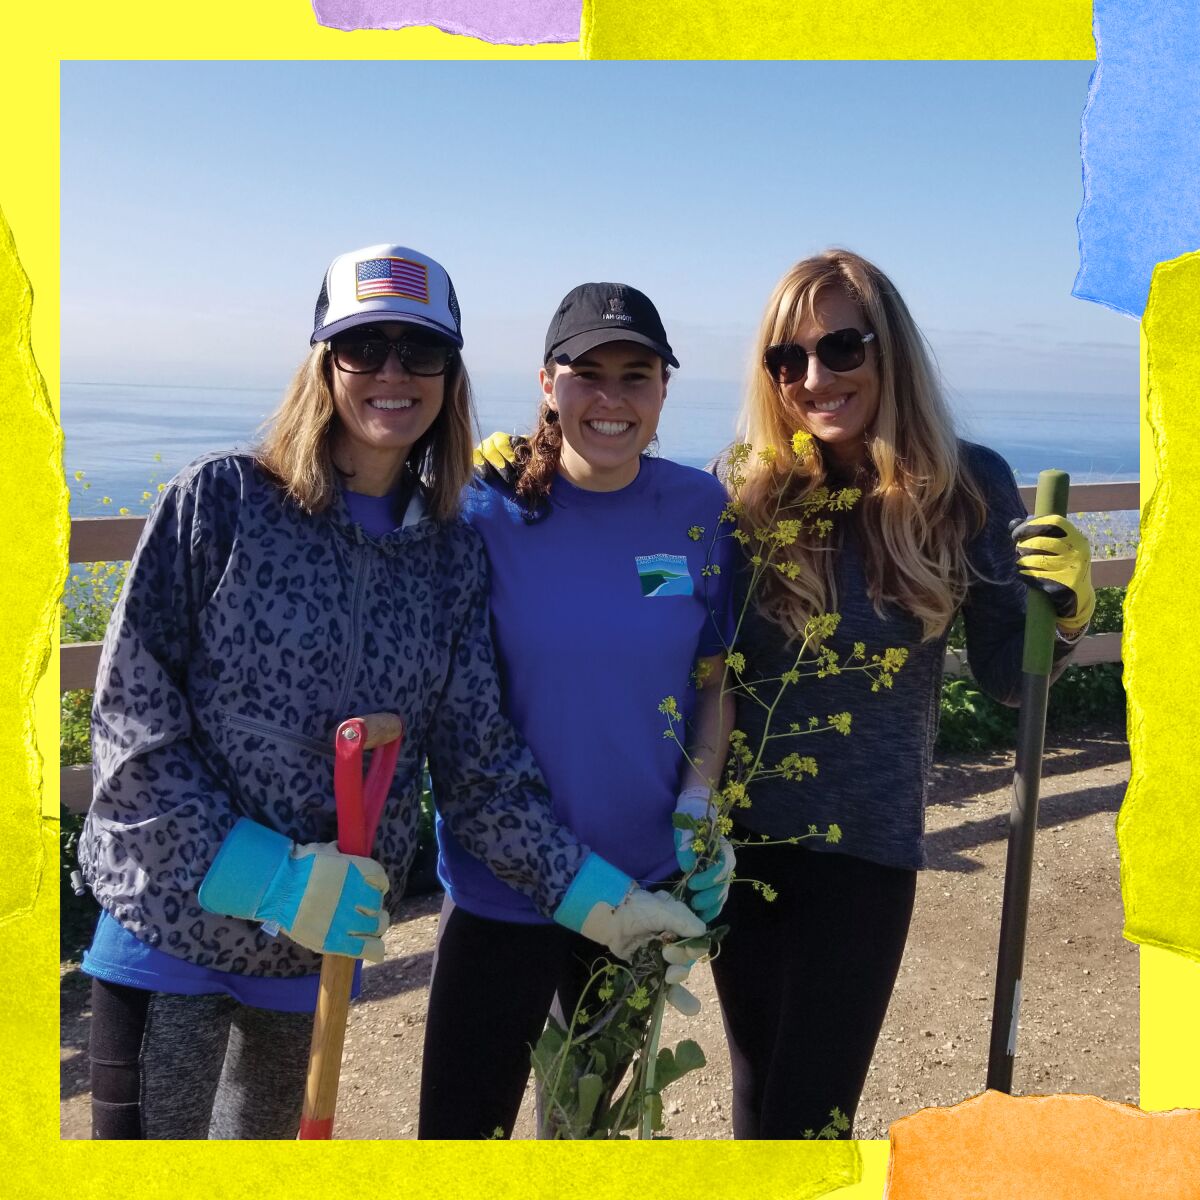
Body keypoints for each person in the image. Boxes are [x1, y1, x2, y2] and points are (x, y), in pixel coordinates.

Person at [77, 246, 705, 1141]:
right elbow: (131, 725)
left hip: (307, 966)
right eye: (362, 348)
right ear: (323, 362)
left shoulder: (448, 554)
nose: (391, 374)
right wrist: (271, 878)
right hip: (166, 935)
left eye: (421, 353)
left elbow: (482, 771)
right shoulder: (220, 502)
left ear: (451, 374)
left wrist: (603, 902)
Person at [707, 248, 1096, 1139]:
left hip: (867, 850)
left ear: (892, 353)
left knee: (814, 1117)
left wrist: (1069, 612)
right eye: (787, 358)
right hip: (741, 848)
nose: (815, 377)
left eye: (843, 347)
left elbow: (1007, 677)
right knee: (757, 1105)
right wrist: (538, 465)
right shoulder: (748, 493)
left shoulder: (966, 487)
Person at [418, 283, 738, 1140]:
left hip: (638, 888)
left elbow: (716, 677)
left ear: (665, 389)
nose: (611, 398)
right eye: (585, 373)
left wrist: (701, 804)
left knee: (592, 1138)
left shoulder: (698, 512)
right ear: (546, 384)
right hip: (503, 891)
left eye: (636, 375)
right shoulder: (482, 508)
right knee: (460, 1146)